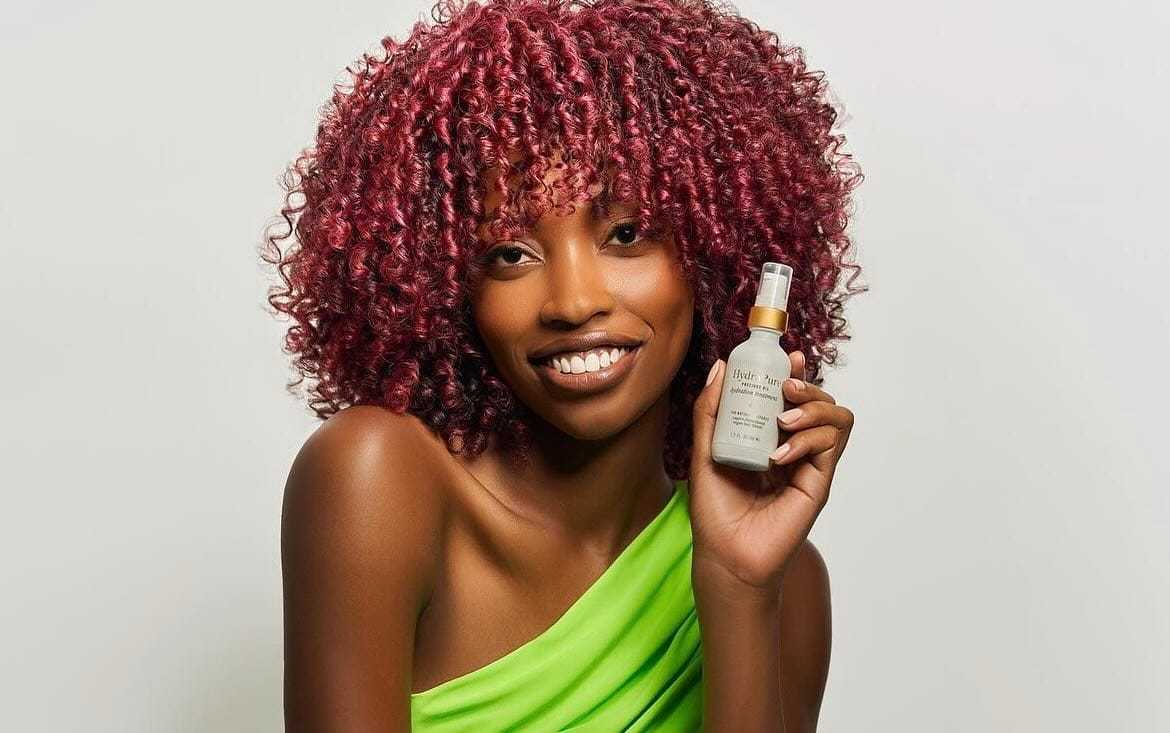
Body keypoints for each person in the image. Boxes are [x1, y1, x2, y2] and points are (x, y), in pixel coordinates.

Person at [262, 0, 865, 729]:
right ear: (448, 285)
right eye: (510, 252)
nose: (575, 302)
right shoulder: (377, 481)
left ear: (713, 253)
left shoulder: (785, 584)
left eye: (627, 233)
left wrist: (737, 587)